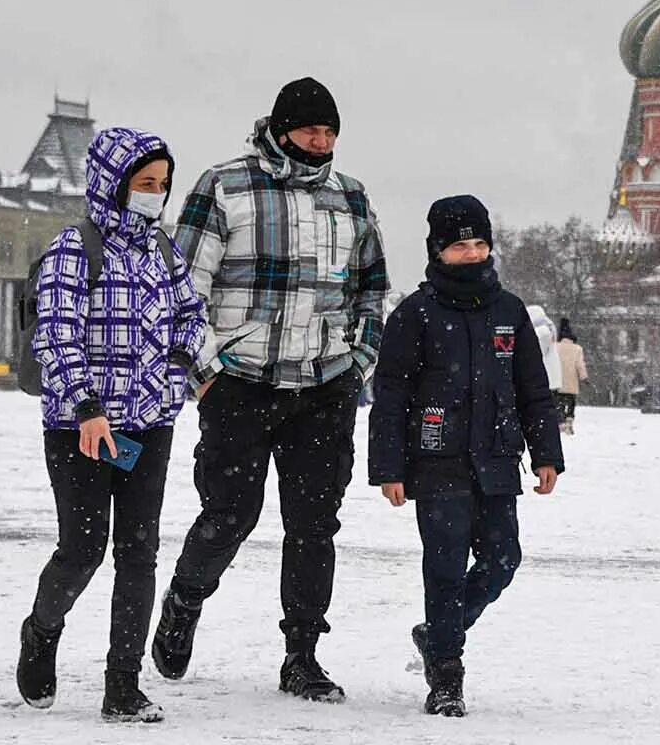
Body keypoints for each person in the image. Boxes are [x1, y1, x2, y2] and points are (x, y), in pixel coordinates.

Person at [152, 78, 390, 704]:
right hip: (242, 386)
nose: (322, 141)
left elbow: (372, 288)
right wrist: (206, 376)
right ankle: (185, 599)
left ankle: (302, 655)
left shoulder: (352, 197)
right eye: (312, 130)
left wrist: (358, 360)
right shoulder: (224, 186)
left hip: (323, 386)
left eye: (331, 132)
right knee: (230, 514)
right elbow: (183, 290)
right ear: (282, 128)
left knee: (314, 525)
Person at [16, 128, 206, 723]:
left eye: (162, 185)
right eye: (144, 183)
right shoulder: (74, 249)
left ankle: (122, 685)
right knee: (82, 550)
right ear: (113, 183)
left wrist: (185, 368)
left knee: (139, 551)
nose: (155, 194)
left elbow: (190, 319)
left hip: (148, 425)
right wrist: (86, 406)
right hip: (81, 428)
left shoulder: (166, 251)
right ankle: (41, 631)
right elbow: (56, 333)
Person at [369, 195, 565, 718]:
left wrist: (546, 453)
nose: (473, 254)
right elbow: (390, 394)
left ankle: (436, 633)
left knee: (503, 561)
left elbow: (533, 390)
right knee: (446, 568)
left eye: (480, 243)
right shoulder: (416, 313)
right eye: (461, 246)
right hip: (436, 462)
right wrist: (388, 468)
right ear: (438, 250)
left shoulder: (510, 312)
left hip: (498, 459)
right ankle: (446, 675)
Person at [554, 318, 588, 436]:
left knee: (558, 402)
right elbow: (580, 364)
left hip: (558, 380)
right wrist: (584, 377)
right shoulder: (577, 349)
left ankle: (561, 420)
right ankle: (569, 419)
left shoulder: (555, 347)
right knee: (571, 402)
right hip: (571, 382)